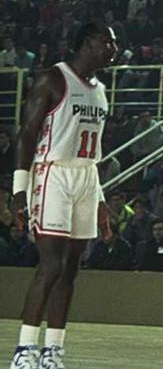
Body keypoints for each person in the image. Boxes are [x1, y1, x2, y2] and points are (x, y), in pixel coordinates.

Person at [9, 22, 117, 369]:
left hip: (86, 176)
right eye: (107, 42)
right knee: (51, 265)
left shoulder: (101, 89)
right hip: (52, 172)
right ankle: (25, 350)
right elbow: (26, 135)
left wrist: (99, 199)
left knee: (70, 269)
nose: (113, 49)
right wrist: (18, 191)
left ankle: (52, 350)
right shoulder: (52, 79)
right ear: (87, 43)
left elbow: (94, 152)